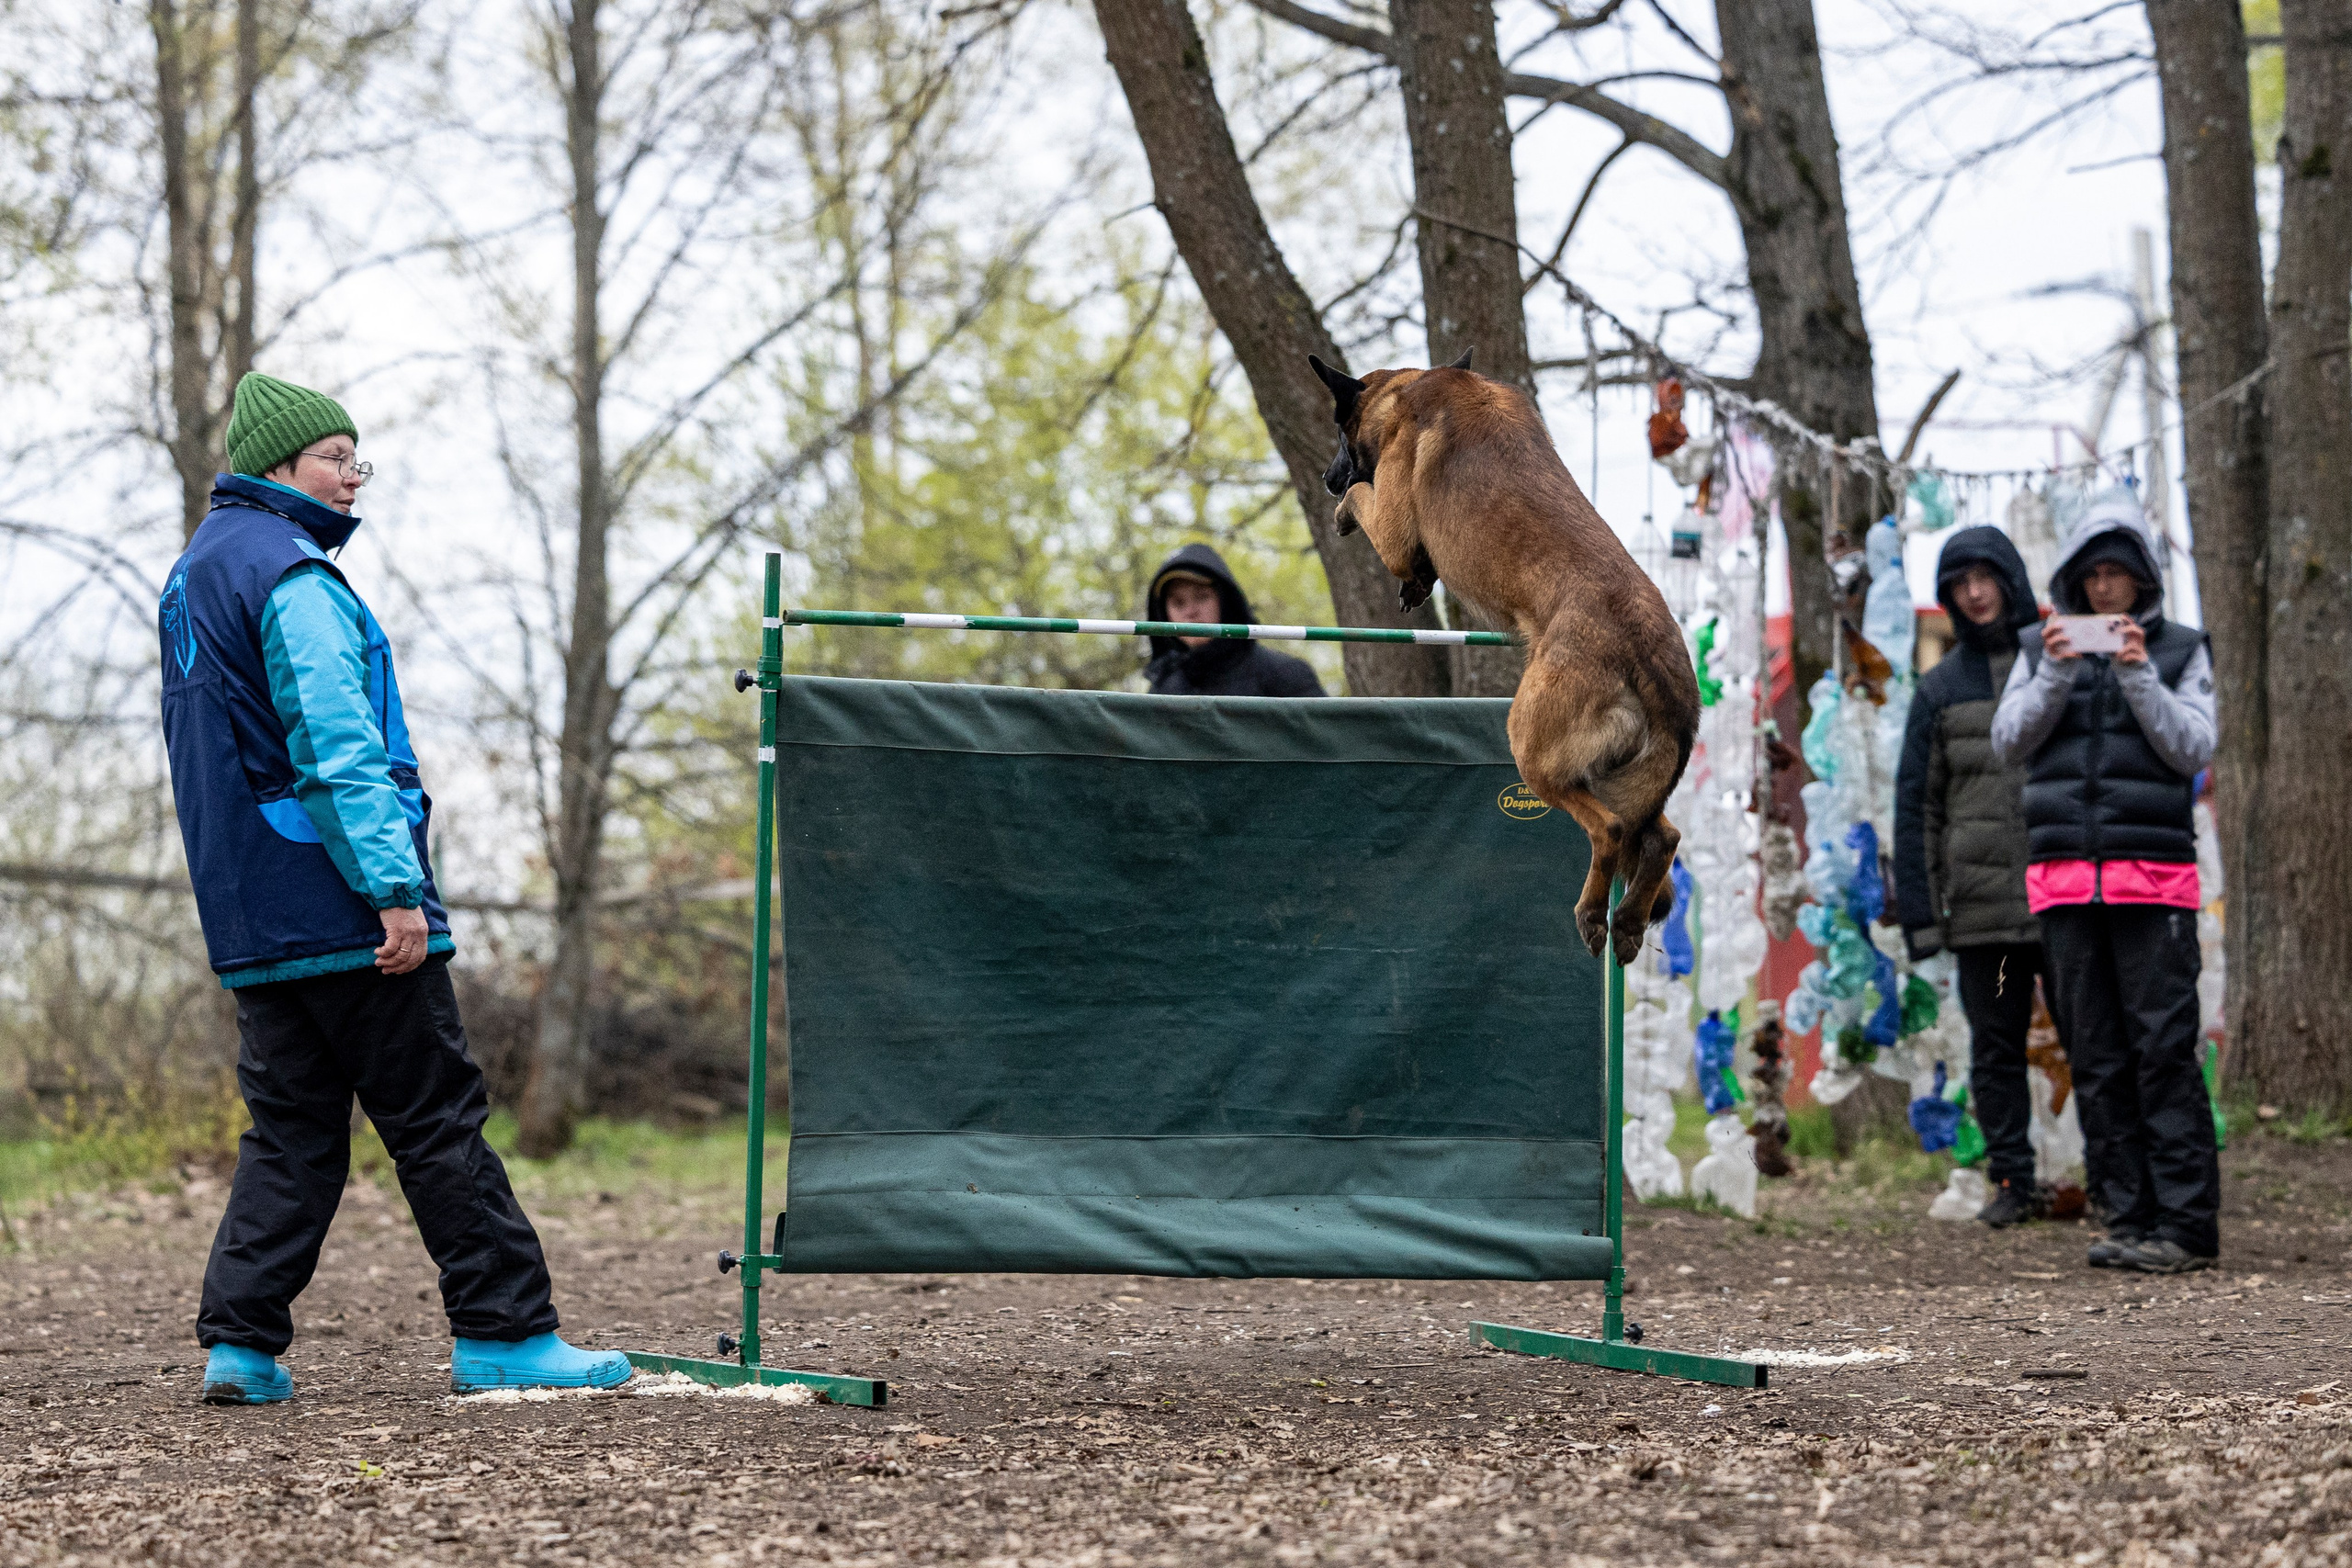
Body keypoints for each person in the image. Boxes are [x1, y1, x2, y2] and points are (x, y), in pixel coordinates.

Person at [159, 371, 630, 1402]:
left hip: (252, 915)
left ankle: (241, 1348)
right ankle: (506, 1331)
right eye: (336, 458)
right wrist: (392, 886)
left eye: (357, 459)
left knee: (290, 1129)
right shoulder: (290, 576)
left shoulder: (193, 576)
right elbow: (336, 747)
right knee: (434, 1115)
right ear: (277, 465)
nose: (353, 479)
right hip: (338, 903)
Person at [1991, 490, 2221, 1275]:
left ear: (2143, 579)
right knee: (2095, 1052)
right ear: (2075, 578)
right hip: (2063, 884)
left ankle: (2186, 1224)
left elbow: (2195, 748)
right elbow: (2007, 740)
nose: (2103, 588)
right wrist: (2055, 670)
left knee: (2163, 1048)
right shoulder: (2037, 647)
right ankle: (2128, 1215)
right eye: (2092, 574)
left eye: (2118, 573)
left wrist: (2139, 675)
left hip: (2154, 882)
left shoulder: (2184, 650)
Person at [1894, 525, 2046, 1229]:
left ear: (2010, 579)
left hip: (2065, 900)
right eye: (1960, 583)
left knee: (2094, 1042)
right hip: (1987, 916)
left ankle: (2115, 1178)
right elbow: (1917, 806)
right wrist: (1924, 916)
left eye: (1985, 577)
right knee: (1997, 1051)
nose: (1975, 592)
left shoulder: (2056, 667)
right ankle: (2014, 1179)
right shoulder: (1939, 689)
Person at [1142, 545, 1325, 696]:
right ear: (1163, 613)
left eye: (1202, 597)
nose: (1190, 612)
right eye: (1178, 603)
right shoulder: (1162, 688)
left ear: (1226, 601)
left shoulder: (1283, 674)